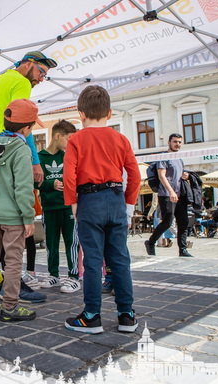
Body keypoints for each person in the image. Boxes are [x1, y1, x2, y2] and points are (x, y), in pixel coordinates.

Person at [63, 85, 141, 334]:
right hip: (116, 199)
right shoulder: (121, 139)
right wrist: (129, 206)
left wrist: (74, 204)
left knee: (93, 261)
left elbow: (68, 175)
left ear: (80, 114)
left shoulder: (76, 139)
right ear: (109, 113)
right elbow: (135, 175)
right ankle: (126, 315)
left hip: (89, 201)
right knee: (120, 260)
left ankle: (91, 316)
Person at [0, 98, 41, 322]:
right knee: (12, 262)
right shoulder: (21, 149)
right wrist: (28, 216)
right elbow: (23, 187)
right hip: (13, 216)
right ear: (26, 128)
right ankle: (10, 307)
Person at [0, 51, 57, 186]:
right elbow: (22, 121)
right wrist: (35, 162)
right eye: (41, 72)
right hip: (4, 147)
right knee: (11, 197)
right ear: (28, 64)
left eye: (44, 75)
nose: (41, 79)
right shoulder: (22, 82)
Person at [34, 119, 81, 294]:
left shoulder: (69, 156)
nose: (71, 143)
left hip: (68, 206)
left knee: (72, 242)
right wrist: (50, 184)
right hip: (49, 207)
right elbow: (35, 182)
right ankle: (53, 274)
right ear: (57, 136)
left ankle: (74, 276)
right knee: (51, 243)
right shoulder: (39, 158)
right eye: (69, 139)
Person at [144, 134, 193, 257]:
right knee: (167, 222)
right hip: (166, 194)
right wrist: (171, 191)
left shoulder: (179, 159)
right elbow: (162, 176)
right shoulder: (164, 157)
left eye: (179, 142)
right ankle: (151, 242)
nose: (177, 144)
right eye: (175, 141)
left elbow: (178, 176)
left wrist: (186, 176)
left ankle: (183, 250)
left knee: (183, 222)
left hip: (180, 194)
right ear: (169, 142)